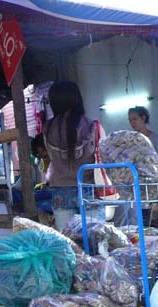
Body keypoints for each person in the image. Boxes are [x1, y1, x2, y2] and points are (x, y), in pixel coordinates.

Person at [43, 81, 104, 230]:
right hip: (89, 187)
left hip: (60, 189)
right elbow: (104, 154)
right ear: (77, 98)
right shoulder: (91, 125)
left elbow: (50, 156)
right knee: (95, 240)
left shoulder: (48, 128)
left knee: (69, 242)